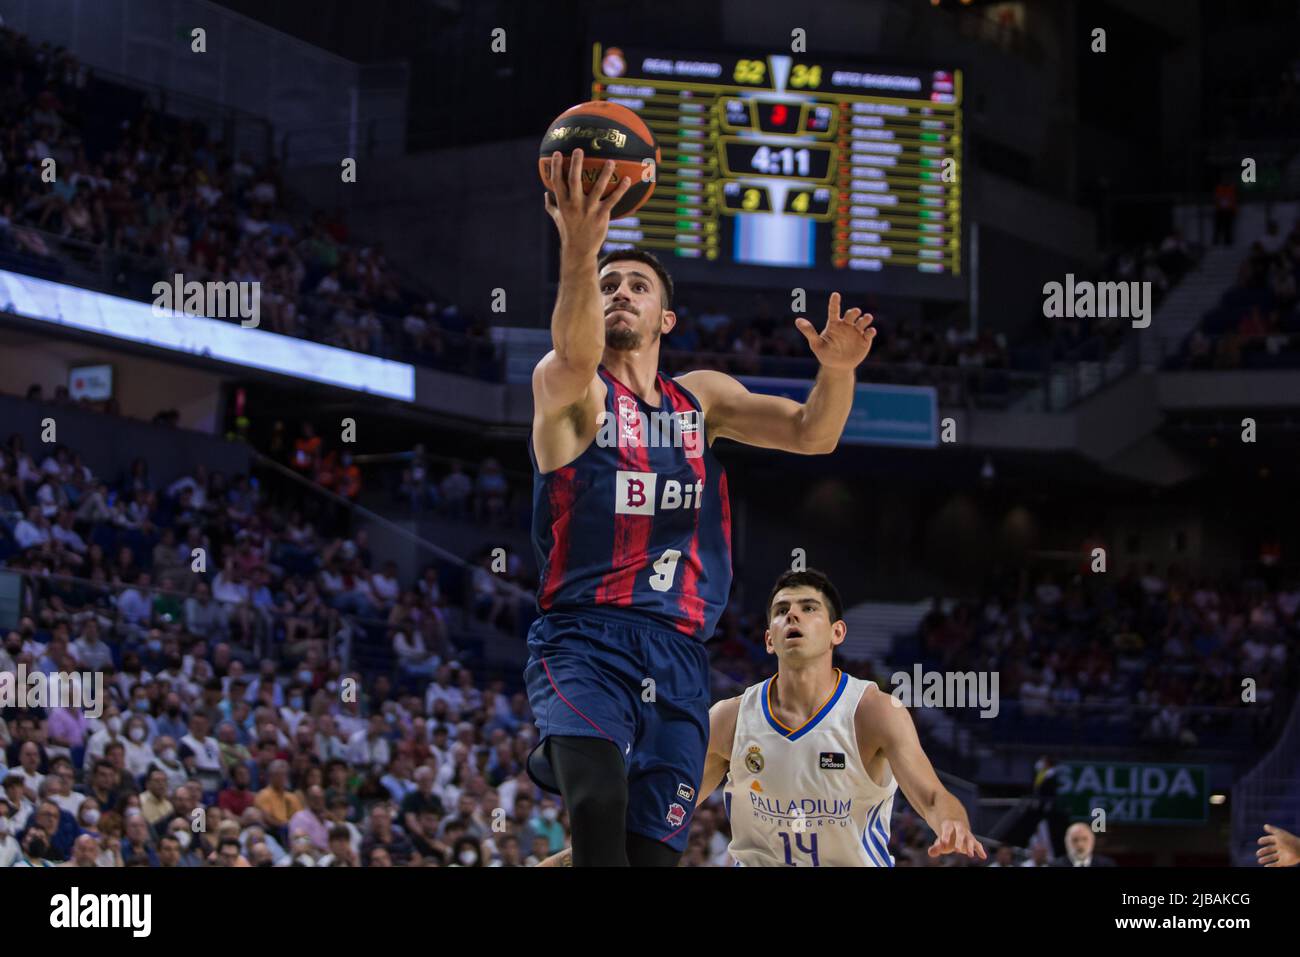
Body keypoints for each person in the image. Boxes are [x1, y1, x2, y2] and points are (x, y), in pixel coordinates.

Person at [525, 150, 878, 867]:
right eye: (608, 285)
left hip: (682, 658)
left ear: (666, 314)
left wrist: (836, 372)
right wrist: (580, 247)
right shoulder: (570, 393)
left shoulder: (702, 399)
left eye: (638, 285)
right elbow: (573, 349)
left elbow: (815, 432)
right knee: (596, 804)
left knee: (647, 854)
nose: (620, 292)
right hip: (585, 639)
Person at [543, 569, 984, 868]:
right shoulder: (730, 720)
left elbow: (931, 797)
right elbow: (659, 815)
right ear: (769, 639)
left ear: (837, 633)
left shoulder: (874, 712)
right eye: (781, 610)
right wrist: (571, 857)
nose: (793, 614)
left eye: (809, 608)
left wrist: (952, 823)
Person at [1050, 821, 1116, 867]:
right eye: (1075, 840)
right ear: (1066, 842)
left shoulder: (1106, 864)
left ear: (1092, 841)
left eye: (1085, 839)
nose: (1080, 844)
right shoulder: (1054, 865)